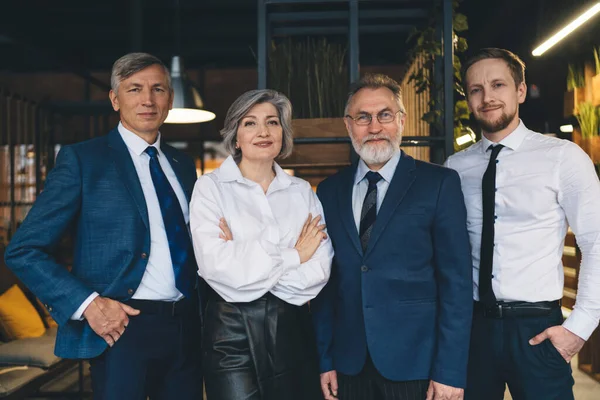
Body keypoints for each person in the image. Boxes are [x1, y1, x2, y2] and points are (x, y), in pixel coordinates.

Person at [4, 52, 203, 400]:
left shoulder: (182, 164)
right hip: (120, 329)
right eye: (134, 89)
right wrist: (89, 305)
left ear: (169, 100)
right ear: (114, 99)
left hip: (185, 326)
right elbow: (24, 250)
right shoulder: (83, 160)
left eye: (158, 89)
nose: (147, 99)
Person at [445, 48, 600, 400]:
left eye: (497, 85)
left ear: (520, 90)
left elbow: (596, 241)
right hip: (472, 328)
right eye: (475, 90)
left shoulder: (562, 157)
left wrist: (579, 327)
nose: (487, 98)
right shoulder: (454, 168)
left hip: (537, 328)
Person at [311, 73, 473, 400]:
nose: (374, 127)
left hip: (418, 366)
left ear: (401, 120)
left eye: (384, 115)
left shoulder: (439, 184)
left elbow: (456, 283)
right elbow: (325, 287)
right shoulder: (329, 191)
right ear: (348, 124)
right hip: (348, 366)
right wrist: (325, 359)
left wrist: (450, 371)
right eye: (362, 117)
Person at [190, 89, 334, 400]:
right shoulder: (210, 189)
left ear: (283, 133)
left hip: (292, 331)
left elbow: (319, 270)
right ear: (236, 136)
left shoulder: (301, 192)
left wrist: (244, 259)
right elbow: (216, 266)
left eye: (272, 122)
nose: (263, 132)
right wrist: (296, 254)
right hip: (231, 336)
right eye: (250, 123)